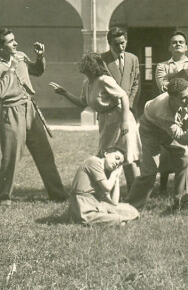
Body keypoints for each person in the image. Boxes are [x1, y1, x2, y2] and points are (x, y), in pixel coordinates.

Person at [0, 28, 66, 204]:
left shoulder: (20, 56)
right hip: (11, 112)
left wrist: (40, 57)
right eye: (10, 41)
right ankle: (2, 197)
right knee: (11, 156)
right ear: (0, 47)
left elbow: (37, 71)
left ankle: (58, 194)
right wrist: (12, 69)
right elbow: (0, 92)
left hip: (30, 108)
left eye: (15, 40)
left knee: (45, 152)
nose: (16, 43)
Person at [50, 52, 142, 190]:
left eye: (86, 65)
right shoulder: (87, 83)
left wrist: (124, 121)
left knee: (128, 157)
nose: (84, 68)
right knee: (106, 156)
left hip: (120, 118)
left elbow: (123, 96)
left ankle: (136, 194)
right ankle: (107, 192)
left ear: (93, 66)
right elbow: (83, 103)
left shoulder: (104, 80)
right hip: (106, 120)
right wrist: (64, 93)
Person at [125, 78, 188, 209]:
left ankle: (182, 201)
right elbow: (182, 139)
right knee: (150, 171)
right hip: (150, 131)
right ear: (172, 98)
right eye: (183, 98)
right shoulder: (163, 111)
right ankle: (131, 206)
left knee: (186, 158)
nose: (187, 100)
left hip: (169, 128)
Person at [68, 147, 140, 226]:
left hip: (96, 204)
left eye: (119, 164)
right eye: (116, 158)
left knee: (131, 210)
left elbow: (114, 202)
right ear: (106, 154)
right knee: (118, 219)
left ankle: (113, 218)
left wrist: (117, 178)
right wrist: (114, 174)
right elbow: (107, 187)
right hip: (83, 206)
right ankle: (115, 220)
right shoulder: (93, 161)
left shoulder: (104, 171)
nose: (117, 163)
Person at [153, 31, 188, 112]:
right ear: (169, 47)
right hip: (170, 108)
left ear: (186, 47)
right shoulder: (161, 66)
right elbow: (163, 86)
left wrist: (172, 84)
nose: (178, 44)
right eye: (174, 42)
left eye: (181, 42)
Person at [100, 27, 140, 114]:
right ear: (109, 43)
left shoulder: (133, 59)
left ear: (126, 41)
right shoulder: (101, 59)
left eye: (122, 43)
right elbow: (99, 85)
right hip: (109, 109)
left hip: (129, 109)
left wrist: (129, 105)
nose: (120, 47)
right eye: (116, 44)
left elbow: (136, 84)